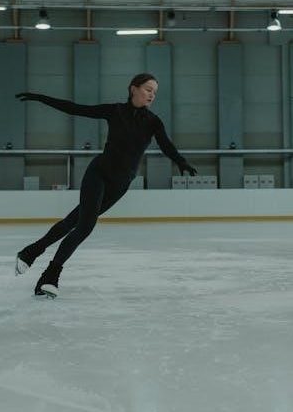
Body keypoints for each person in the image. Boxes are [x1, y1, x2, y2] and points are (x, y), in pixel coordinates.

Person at [14, 73, 197, 298]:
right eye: (148, 89)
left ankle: (31, 251)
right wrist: (40, 98)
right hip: (99, 174)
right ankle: (50, 276)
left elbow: (166, 145)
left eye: (155, 92)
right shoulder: (115, 111)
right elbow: (75, 109)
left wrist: (181, 161)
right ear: (134, 89)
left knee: (73, 222)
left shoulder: (153, 122)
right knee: (85, 226)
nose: (152, 95)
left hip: (120, 184)